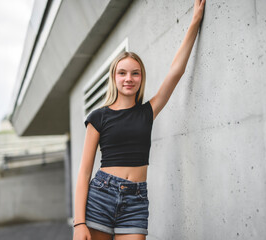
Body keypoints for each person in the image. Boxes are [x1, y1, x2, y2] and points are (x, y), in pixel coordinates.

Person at [73, 0, 206, 239]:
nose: (129, 78)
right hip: (101, 196)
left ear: (141, 78)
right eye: (122, 73)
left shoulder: (147, 112)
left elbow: (176, 71)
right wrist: (79, 223)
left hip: (136, 201)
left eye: (135, 73)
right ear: (114, 78)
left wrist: (194, 21)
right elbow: (84, 172)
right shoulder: (98, 117)